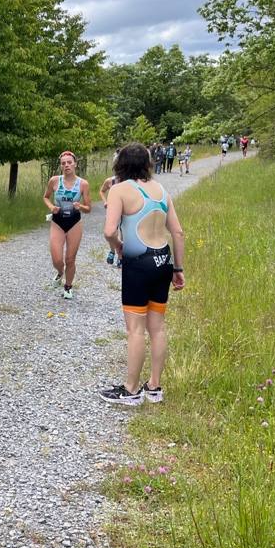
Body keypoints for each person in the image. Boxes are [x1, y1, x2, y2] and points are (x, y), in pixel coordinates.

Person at [99, 142, 185, 406]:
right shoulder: (161, 190)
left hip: (138, 263)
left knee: (135, 329)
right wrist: (178, 269)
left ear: (120, 164)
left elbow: (109, 231)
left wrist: (118, 249)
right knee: (157, 328)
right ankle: (155, 387)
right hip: (163, 262)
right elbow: (178, 233)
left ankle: (131, 389)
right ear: (147, 164)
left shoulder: (119, 190)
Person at [43, 151, 92, 299]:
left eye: (69, 162)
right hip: (58, 222)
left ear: (75, 164)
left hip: (74, 223)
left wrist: (80, 206)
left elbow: (89, 208)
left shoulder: (83, 184)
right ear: (61, 166)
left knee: (70, 259)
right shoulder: (54, 181)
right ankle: (59, 272)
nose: (66, 165)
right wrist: (52, 207)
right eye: (63, 163)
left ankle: (68, 286)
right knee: (57, 259)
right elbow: (46, 197)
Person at [98, 173, 121, 265]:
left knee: (123, 232)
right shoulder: (110, 181)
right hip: (112, 210)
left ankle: (121, 256)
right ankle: (112, 251)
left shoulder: (129, 181)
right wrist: (105, 201)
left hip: (125, 210)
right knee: (111, 233)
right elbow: (101, 191)